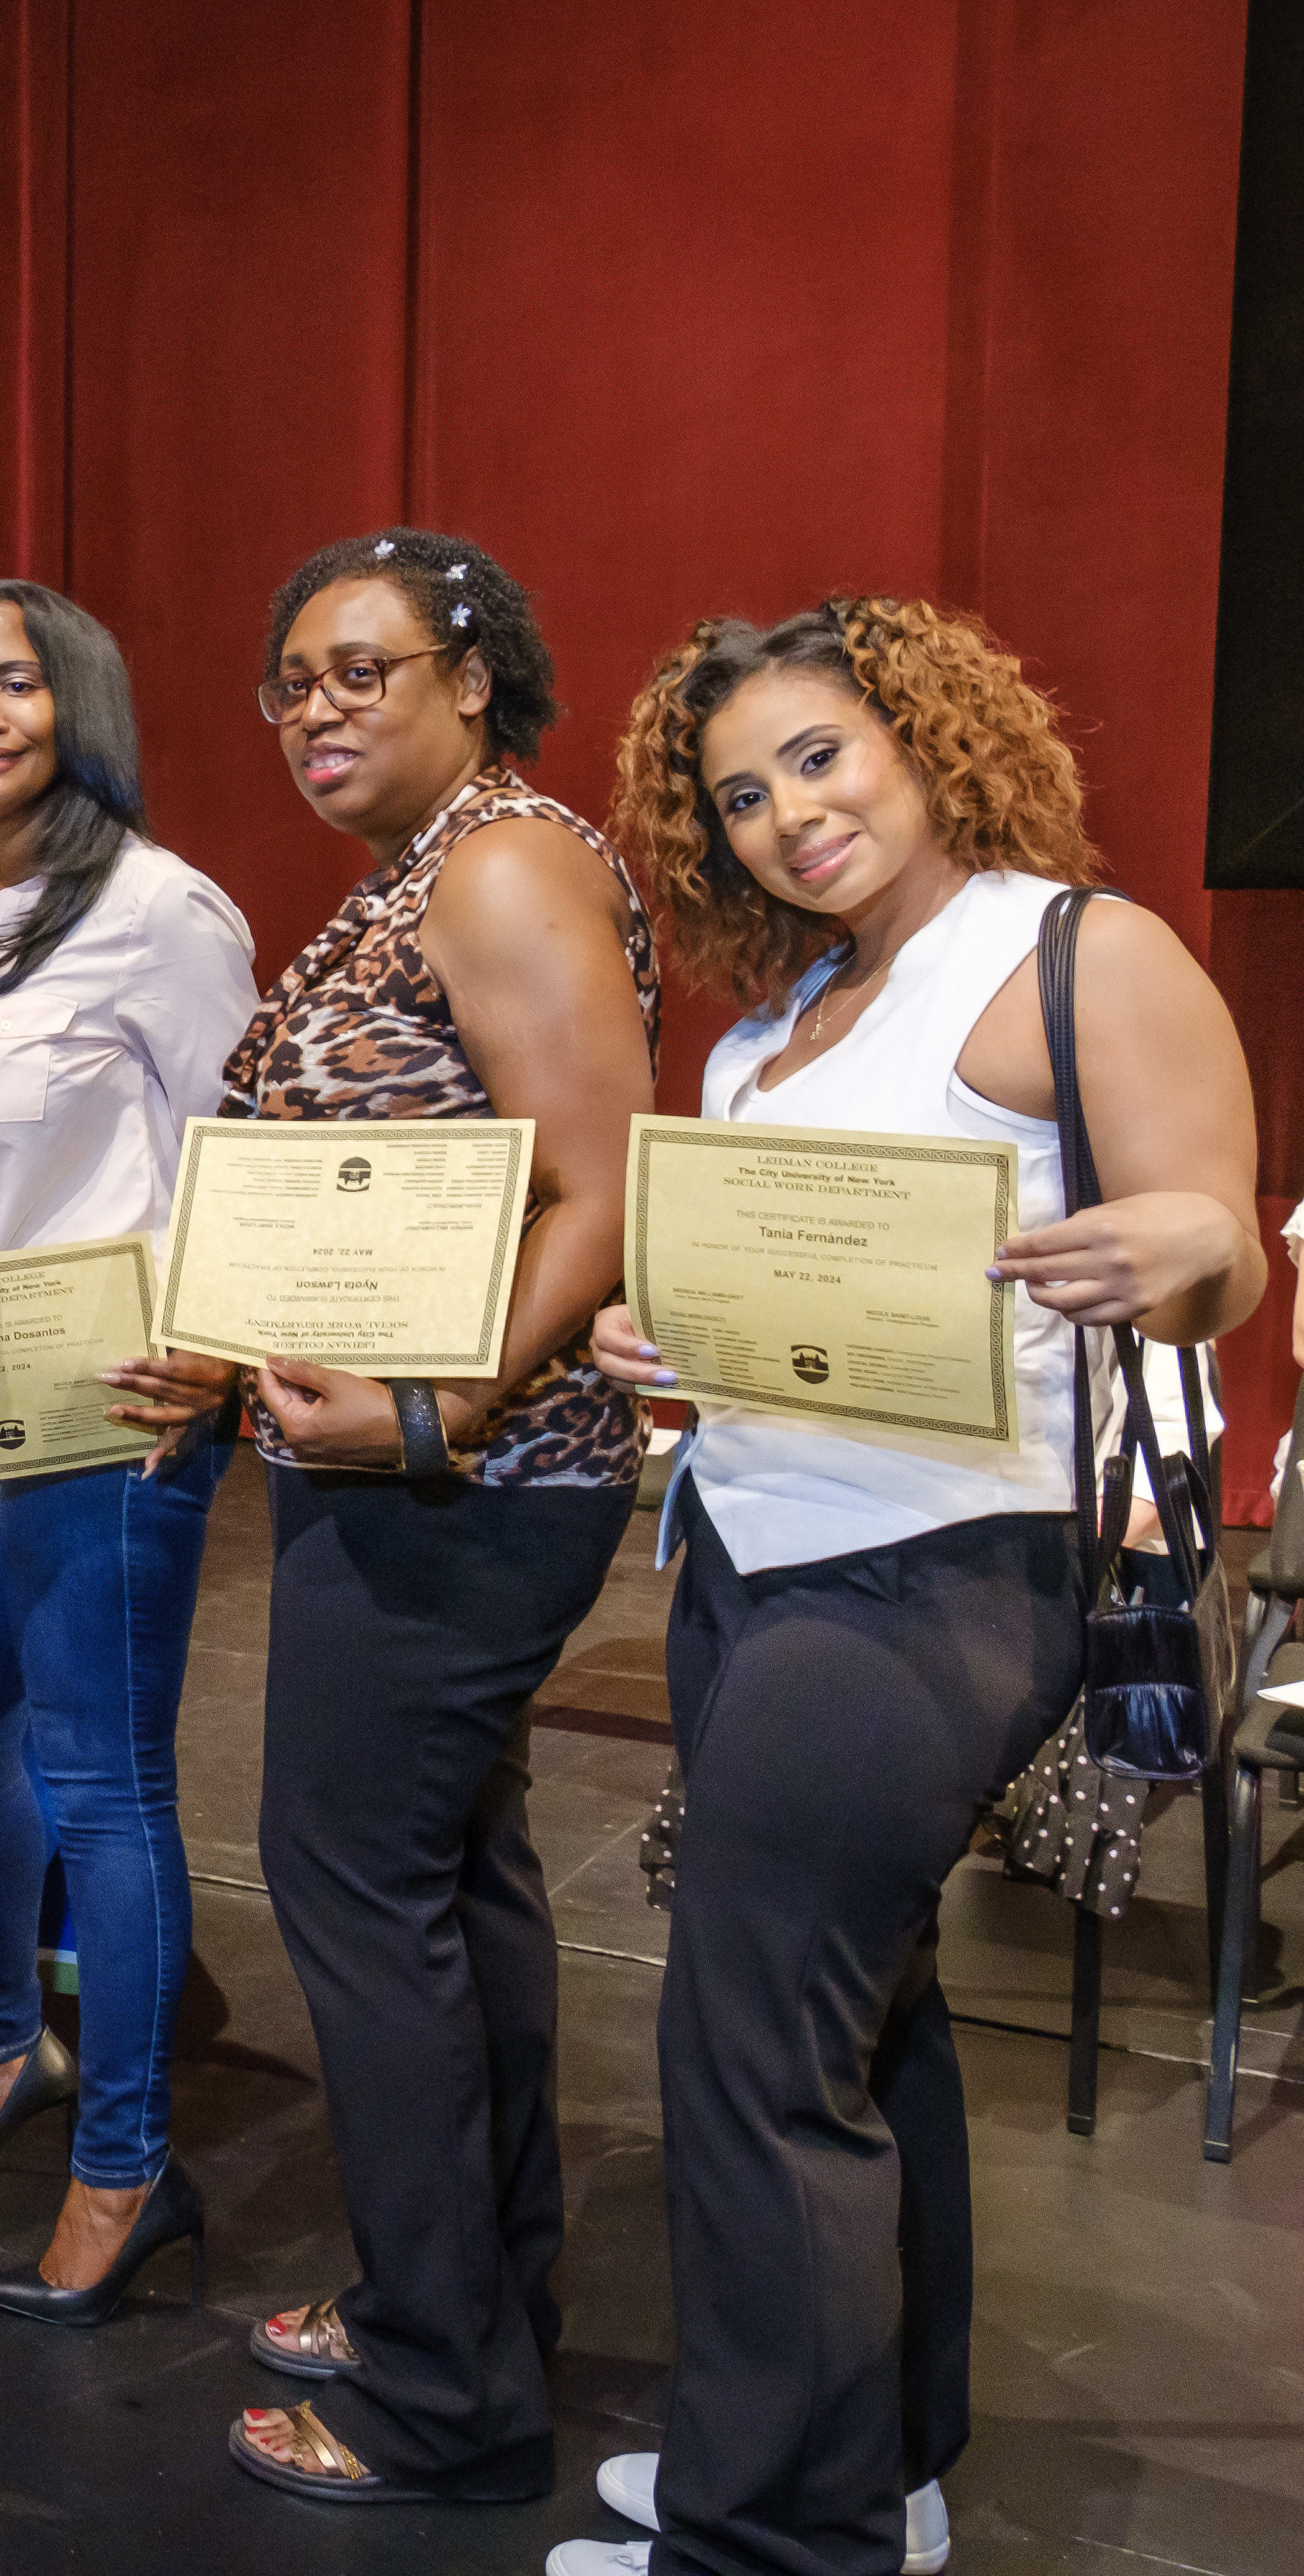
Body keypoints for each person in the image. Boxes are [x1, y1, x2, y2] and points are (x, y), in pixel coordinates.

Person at [558, 600, 1261, 2576]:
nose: (788, 815)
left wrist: (1181, 1244)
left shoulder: (1069, 953)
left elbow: (1219, 1244)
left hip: (941, 1574)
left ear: (921, 737)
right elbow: (779, 1314)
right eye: (739, 797)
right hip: (746, 1548)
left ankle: (764, 2539)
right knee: (862, 2021)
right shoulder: (767, 1026)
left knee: (750, 2042)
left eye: (816, 757)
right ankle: (874, 2469)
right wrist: (664, 1346)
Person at [109, 529, 661, 2505]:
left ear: (471, 676)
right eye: (290, 683)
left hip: (469, 1482)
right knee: (445, 1883)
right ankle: (467, 2300)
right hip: (410, 1467)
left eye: (362, 671)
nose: (317, 711)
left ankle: (442, 2397)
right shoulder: (413, 883)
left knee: (351, 1890)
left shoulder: (501, 862)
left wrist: (432, 1410)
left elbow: (601, 1188)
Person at [0, 582, 258, 2321]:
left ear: (72, 703)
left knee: (100, 1782)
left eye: (13, 682)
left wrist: (218, 1351)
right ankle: (3, 2044)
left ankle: (125, 2160)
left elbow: (239, 1150)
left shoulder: (161, 913)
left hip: (109, 1405)